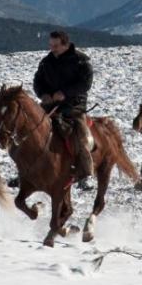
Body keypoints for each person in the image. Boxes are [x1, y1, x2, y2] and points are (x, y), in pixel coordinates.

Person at [33, 30, 94, 182]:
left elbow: (85, 84)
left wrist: (65, 93)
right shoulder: (46, 62)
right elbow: (38, 81)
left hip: (74, 104)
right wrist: (43, 94)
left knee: (79, 134)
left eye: (55, 45)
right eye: (50, 45)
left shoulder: (81, 61)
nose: (52, 48)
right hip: (50, 103)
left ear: (65, 44)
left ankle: (85, 173)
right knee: (33, 127)